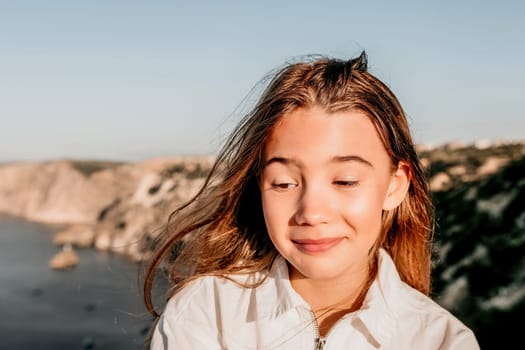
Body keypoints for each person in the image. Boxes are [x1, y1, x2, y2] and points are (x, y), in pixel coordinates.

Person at [143, 51, 480, 349]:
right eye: (285, 183)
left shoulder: (441, 341)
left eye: (345, 181)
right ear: (259, 185)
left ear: (394, 186)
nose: (312, 212)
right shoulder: (207, 312)